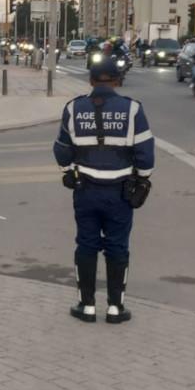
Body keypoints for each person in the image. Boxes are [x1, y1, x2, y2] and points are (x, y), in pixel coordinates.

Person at [54, 60, 154, 324]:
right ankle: (115, 308)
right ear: (117, 81)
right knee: (117, 247)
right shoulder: (132, 110)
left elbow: (61, 148)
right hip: (120, 193)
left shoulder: (73, 108)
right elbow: (145, 152)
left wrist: (67, 170)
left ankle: (86, 306)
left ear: (90, 81)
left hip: (85, 190)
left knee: (86, 245)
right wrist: (143, 180)